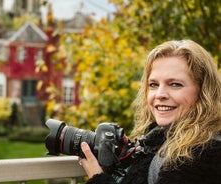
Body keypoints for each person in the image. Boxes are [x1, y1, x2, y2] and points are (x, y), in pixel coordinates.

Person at [79, 40, 221, 184]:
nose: (160, 94)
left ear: (204, 91)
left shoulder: (203, 153)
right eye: (153, 84)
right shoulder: (160, 141)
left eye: (175, 84)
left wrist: (98, 179)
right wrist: (125, 158)